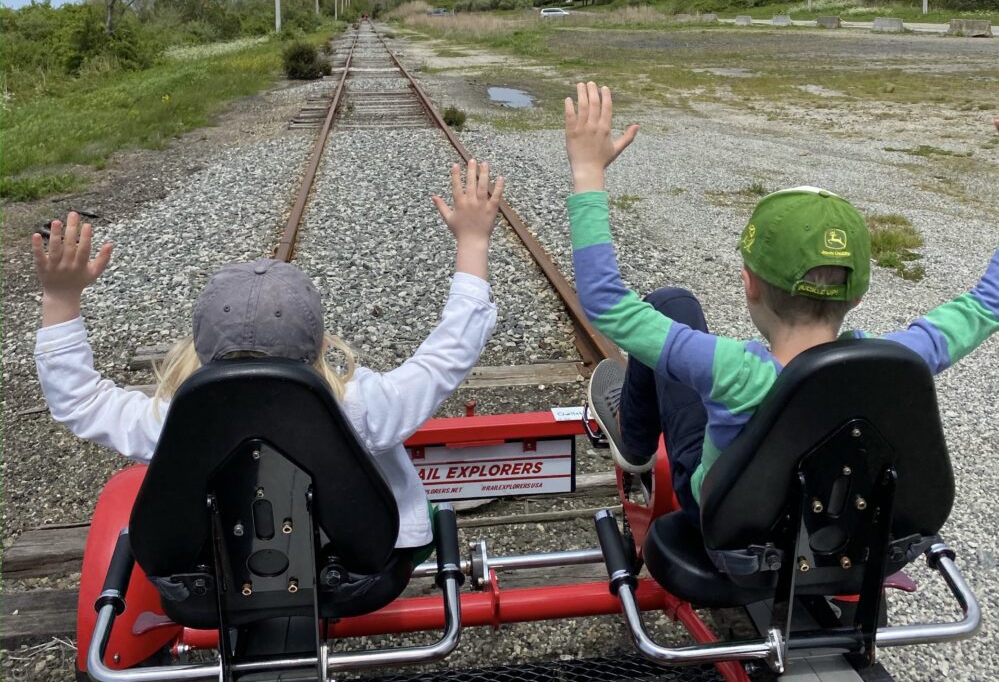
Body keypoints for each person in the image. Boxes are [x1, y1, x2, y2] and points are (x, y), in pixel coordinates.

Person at [564, 81, 999, 528]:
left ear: (749, 285)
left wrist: (588, 174)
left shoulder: (730, 372)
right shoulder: (898, 362)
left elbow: (607, 304)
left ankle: (633, 445)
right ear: (859, 296)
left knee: (672, 304)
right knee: (673, 306)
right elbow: (988, 304)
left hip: (722, 520)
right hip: (829, 524)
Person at [33, 159, 505, 559]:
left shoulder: (174, 421)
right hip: (365, 570)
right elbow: (447, 355)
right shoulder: (363, 407)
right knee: (415, 513)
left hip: (226, 578)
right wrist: (473, 243)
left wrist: (60, 300)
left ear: (197, 347)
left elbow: (79, 401)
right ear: (321, 347)